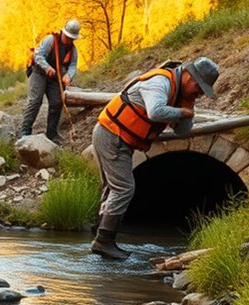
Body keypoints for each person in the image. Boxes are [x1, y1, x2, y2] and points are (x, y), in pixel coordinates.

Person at [91, 56, 220, 260]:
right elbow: (155, 111)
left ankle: (102, 240)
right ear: (188, 75)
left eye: (203, 91)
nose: (200, 93)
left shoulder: (181, 94)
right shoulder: (160, 83)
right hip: (111, 134)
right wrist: (182, 111)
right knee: (124, 188)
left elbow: (182, 132)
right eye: (199, 87)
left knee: (114, 188)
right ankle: (103, 241)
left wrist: (188, 109)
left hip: (119, 137)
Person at [20, 19, 80, 144]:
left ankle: (51, 133)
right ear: (63, 32)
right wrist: (47, 68)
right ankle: (25, 131)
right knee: (35, 100)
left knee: (57, 102)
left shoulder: (73, 50)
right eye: (68, 37)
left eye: (72, 38)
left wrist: (68, 75)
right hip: (38, 72)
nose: (69, 40)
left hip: (55, 77)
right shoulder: (50, 40)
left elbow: (73, 65)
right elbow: (38, 55)